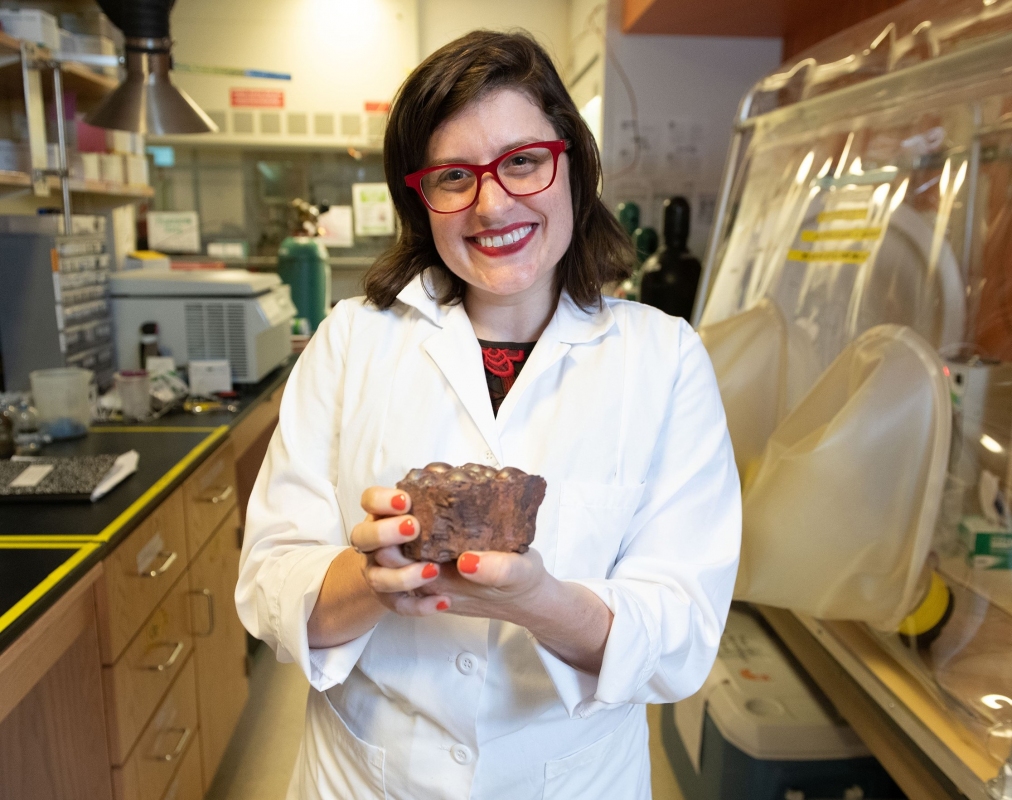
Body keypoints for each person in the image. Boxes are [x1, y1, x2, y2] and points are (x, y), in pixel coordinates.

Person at [236, 30, 741, 800]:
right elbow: (270, 586)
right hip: (368, 780)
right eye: (452, 176)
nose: (493, 201)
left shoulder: (665, 360)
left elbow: (681, 637)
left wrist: (544, 604)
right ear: (421, 197)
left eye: (523, 161)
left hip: (572, 782)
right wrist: (372, 580)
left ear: (571, 162)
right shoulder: (349, 342)